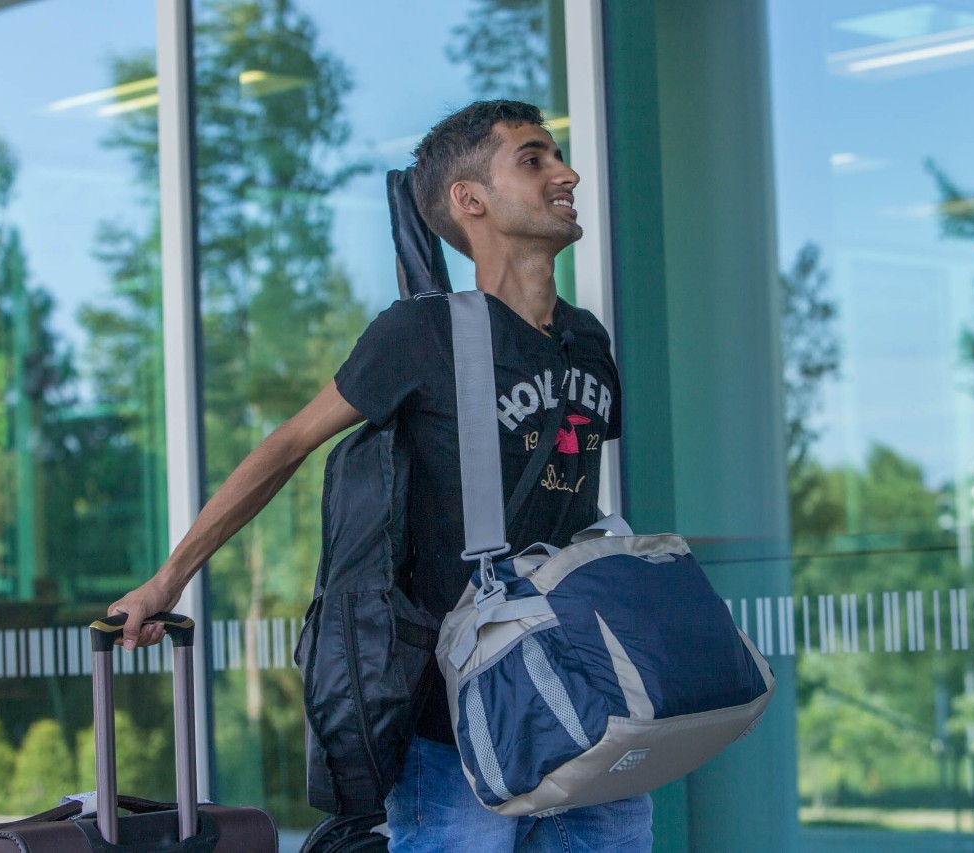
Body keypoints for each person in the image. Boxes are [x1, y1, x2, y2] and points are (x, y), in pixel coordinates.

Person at [109, 99, 653, 852]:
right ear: (471, 201)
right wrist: (169, 579)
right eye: (534, 159)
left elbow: (577, 502)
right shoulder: (422, 333)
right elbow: (286, 445)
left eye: (558, 156)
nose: (568, 174)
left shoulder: (587, 340)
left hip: (585, 712)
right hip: (455, 728)